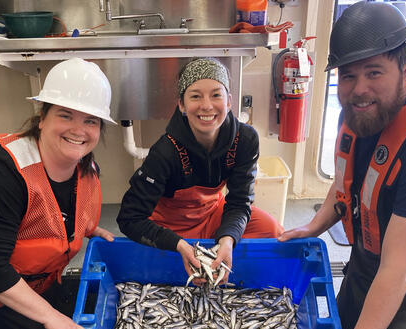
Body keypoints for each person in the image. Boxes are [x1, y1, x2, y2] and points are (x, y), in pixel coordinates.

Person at [279, 1, 406, 329]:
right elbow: (345, 186)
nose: (359, 88)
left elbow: (401, 266)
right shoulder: (359, 114)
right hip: (369, 251)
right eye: (349, 75)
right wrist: (312, 227)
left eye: (374, 72)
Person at [0, 57, 116, 329]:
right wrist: (52, 318)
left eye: (90, 120)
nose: (78, 129)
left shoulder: (83, 165)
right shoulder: (0, 171)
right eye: (66, 115)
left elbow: (56, 216)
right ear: (43, 117)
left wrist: (86, 230)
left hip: (25, 277)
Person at [117, 57, 283, 281]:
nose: (207, 105)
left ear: (229, 101)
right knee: (160, 265)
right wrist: (177, 244)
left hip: (214, 214)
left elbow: (239, 201)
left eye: (216, 95)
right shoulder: (165, 151)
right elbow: (129, 218)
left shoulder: (245, 139)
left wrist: (228, 237)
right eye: (195, 96)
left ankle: (229, 267)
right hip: (171, 227)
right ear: (182, 105)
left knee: (272, 232)